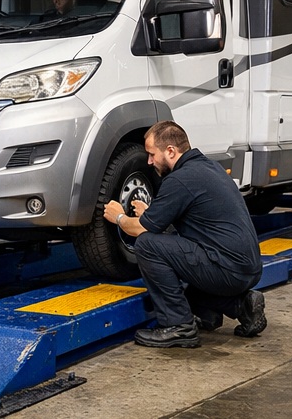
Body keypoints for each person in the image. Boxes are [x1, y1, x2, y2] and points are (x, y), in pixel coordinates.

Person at [103, 120, 266, 349]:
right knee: (183, 288)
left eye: (151, 154)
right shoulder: (208, 167)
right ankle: (241, 306)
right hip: (246, 268)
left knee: (148, 245)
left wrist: (118, 216)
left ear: (170, 151)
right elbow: (187, 218)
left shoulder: (179, 180)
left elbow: (140, 229)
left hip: (227, 269)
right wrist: (152, 214)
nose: (149, 161)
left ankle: (178, 327)